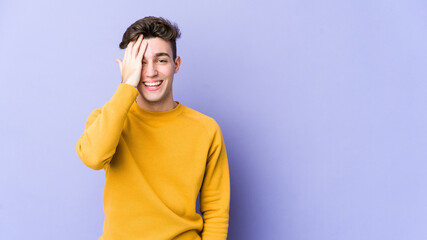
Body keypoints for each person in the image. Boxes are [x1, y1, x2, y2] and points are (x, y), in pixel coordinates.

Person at [76, 16, 230, 240]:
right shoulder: (106, 118)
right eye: (141, 62)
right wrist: (126, 85)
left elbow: (216, 209)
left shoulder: (206, 129)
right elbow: (93, 157)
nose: (150, 73)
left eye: (161, 60)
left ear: (176, 65)